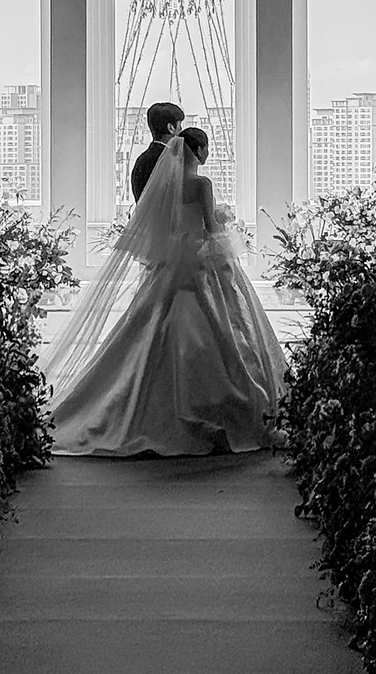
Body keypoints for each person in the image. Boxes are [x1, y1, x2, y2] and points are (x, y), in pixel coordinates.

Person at [42, 129, 287, 457]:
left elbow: (166, 226)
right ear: (198, 150)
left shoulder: (167, 185)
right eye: (207, 147)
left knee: (150, 326)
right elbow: (210, 227)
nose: (208, 153)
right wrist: (224, 225)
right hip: (199, 262)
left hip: (172, 263)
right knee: (225, 326)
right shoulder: (202, 184)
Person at [130, 101, 184, 203]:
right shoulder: (170, 160)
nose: (181, 130)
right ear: (171, 128)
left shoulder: (141, 159)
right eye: (179, 125)